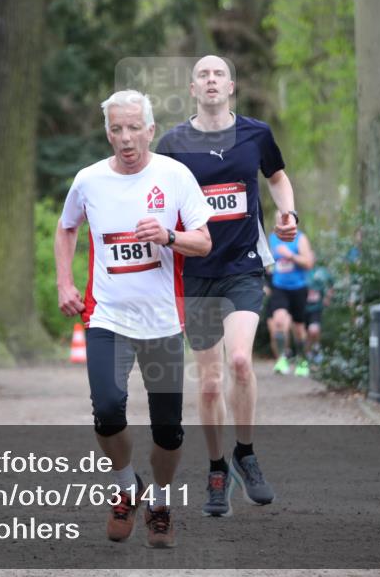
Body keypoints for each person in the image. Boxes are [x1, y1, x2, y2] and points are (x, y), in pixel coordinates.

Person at [55, 90, 213, 548]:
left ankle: (160, 502)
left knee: (168, 429)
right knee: (106, 410)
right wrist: (65, 284)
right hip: (107, 316)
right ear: (108, 133)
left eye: (132, 128)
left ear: (150, 130)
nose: (125, 139)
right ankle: (128, 487)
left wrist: (168, 236)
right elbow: (66, 228)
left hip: (162, 320)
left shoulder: (175, 176)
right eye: (116, 129)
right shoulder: (89, 180)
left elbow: (203, 242)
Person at [156, 55, 299, 517]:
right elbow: (155, 197)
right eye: (203, 75)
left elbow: (277, 177)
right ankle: (217, 468)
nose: (212, 80)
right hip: (195, 271)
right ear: (193, 89)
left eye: (219, 74)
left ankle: (246, 451)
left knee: (239, 360)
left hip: (242, 264)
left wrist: (288, 212)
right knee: (211, 382)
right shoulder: (174, 143)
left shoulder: (256, 134)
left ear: (232, 86)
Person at [265, 229, 314, 377]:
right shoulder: (272, 238)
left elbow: (308, 263)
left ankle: (302, 361)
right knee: (279, 321)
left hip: (298, 287)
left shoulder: (300, 238)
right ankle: (281, 359)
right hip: (279, 287)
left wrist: (290, 256)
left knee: (299, 328)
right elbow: (269, 262)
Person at [303, 262, 334, 367]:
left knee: (314, 330)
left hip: (316, 307)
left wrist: (328, 297)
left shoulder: (321, 271)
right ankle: (306, 355)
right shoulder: (297, 271)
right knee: (304, 333)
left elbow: (331, 283)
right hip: (301, 308)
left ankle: (316, 349)